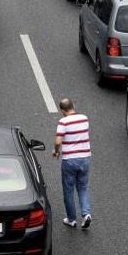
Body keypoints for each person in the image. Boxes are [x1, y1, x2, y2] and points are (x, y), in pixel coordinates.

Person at [53, 97, 92, 229]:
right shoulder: (84, 118)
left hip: (69, 160)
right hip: (85, 158)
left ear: (63, 110)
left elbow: (58, 141)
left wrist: (56, 151)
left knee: (68, 190)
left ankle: (71, 219)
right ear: (73, 105)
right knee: (82, 188)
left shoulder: (63, 122)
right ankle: (86, 214)